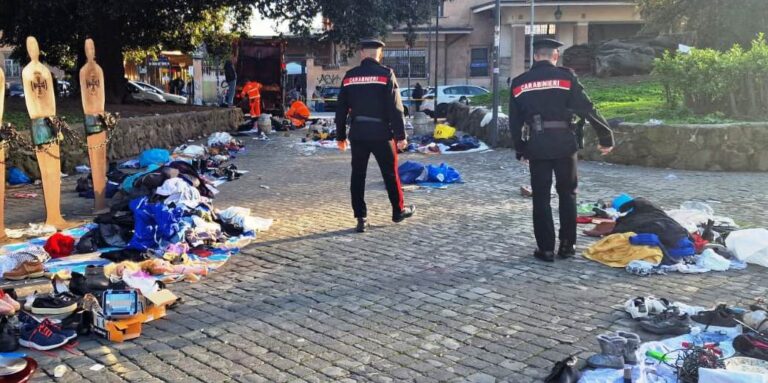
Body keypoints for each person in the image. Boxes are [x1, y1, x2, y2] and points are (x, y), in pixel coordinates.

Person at [509, 38, 614, 262]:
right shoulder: (567, 78)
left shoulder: (519, 83)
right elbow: (587, 108)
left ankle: (545, 249)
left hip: (537, 144)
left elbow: (515, 122)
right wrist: (606, 136)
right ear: (554, 56)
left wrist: (521, 149)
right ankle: (568, 246)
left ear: (535, 56)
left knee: (541, 198)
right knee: (568, 195)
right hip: (565, 143)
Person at [335, 38, 416, 233]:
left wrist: (340, 137)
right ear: (379, 54)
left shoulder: (349, 77)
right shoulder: (386, 74)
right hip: (382, 133)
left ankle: (360, 218)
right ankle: (398, 211)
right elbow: (396, 108)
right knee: (390, 174)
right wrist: (401, 135)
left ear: (362, 53)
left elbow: (340, 109)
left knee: (358, 175)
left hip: (358, 134)